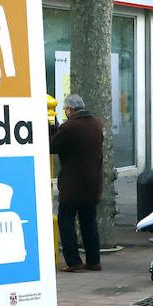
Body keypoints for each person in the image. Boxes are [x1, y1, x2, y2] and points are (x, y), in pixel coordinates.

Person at [49, 94, 104, 273]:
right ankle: (94, 261)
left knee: (66, 220)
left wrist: (50, 129)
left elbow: (52, 146)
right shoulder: (96, 124)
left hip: (73, 185)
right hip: (93, 183)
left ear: (70, 109)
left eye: (65, 109)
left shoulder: (69, 127)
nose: (65, 112)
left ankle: (74, 262)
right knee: (89, 222)